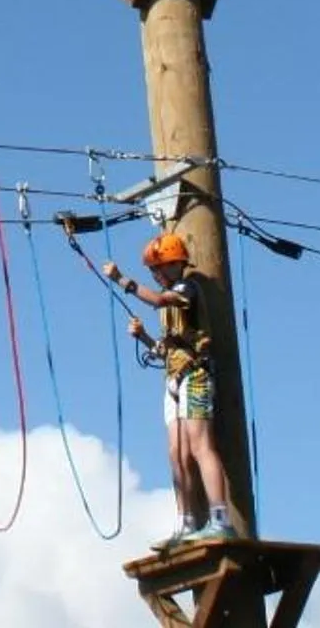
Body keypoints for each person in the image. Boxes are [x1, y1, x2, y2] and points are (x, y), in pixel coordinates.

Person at [105, 228, 236, 546]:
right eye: (153, 270)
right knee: (177, 453)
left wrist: (125, 281)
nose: (157, 274)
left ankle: (220, 518)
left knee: (199, 446)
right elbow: (168, 351)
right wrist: (145, 339)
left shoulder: (187, 289)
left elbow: (161, 299)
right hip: (175, 378)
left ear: (176, 264)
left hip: (195, 375)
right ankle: (186, 522)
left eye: (159, 268)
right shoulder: (170, 308)